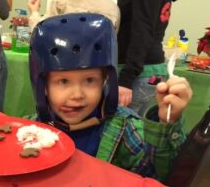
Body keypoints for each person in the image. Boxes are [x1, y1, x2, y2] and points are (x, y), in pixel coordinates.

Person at [27, 13, 192, 182]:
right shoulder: (29, 131)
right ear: (43, 86)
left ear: (106, 80)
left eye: (90, 80)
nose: (77, 95)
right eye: (63, 81)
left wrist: (167, 123)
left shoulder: (125, 129)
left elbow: (158, 174)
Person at [117, 0, 181, 115]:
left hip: (138, 72)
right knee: (133, 131)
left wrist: (126, 80)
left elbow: (142, 31)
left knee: (121, 131)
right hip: (146, 70)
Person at [27, 0, 120, 32]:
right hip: (96, 70)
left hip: (60, 67)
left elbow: (41, 34)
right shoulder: (113, 11)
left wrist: (34, 12)